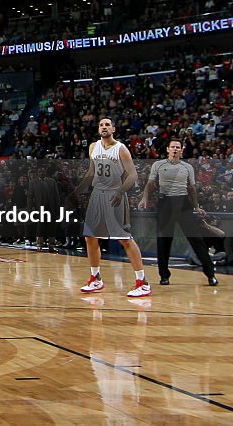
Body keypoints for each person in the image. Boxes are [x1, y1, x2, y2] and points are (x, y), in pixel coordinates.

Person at [69, 118, 151, 298]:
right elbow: (91, 173)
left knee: (124, 239)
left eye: (107, 124)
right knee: (90, 236)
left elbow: (133, 175)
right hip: (97, 195)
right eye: (101, 125)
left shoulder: (121, 149)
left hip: (114, 195)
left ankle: (142, 282)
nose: (104, 127)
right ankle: (95, 278)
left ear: (113, 129)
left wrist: (121, 192)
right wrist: (76, 192)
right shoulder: (93, 147)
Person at [138, 140, 218, 286]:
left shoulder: (187, 167)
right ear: (168, 149)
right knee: (163, 241)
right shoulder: (158, 165)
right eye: (173, 147)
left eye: (178, 147)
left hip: (183, 203)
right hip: (164, 204)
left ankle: (210, 274)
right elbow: (150, 184)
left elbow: (192, 188)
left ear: (182, 150)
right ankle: (164, 276)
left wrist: (196, 207)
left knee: (196, 239)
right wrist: (144, 198)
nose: (175, 149)